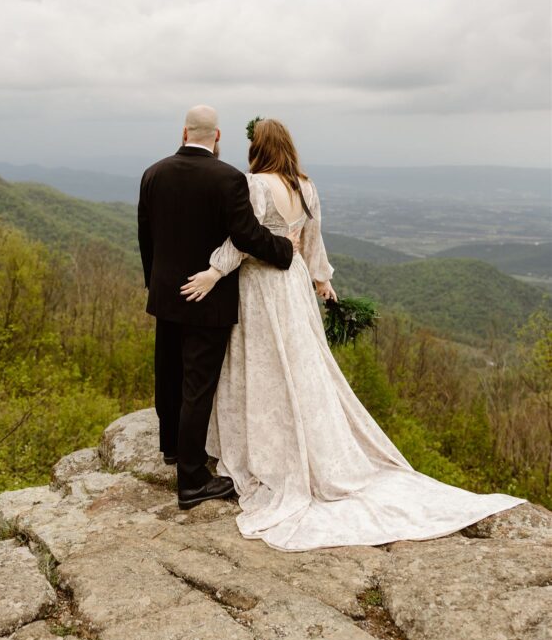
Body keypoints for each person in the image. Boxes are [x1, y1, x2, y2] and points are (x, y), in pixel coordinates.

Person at [181, 118, 527, 550]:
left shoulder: (253, 185)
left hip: (259, 287)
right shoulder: (306, 186)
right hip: (293, 284)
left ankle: (268, 450)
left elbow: (244, 239)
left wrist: (214, 271)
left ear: (258, 147)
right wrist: (322, 281)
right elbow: (312, 240)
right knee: (302, 363)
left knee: (264, 365)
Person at [137, 105, 298, 511]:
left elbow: (146, 239)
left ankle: (171, 449)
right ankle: (191, 481)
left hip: (168, 295)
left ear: (184, 131)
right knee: (198, 387)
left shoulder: (153, 173)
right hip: (209, 300)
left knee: (169, 376)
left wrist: (155, 286)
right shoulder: (228, 178)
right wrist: (284, 250)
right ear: (219, 136)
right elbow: (247, 235)